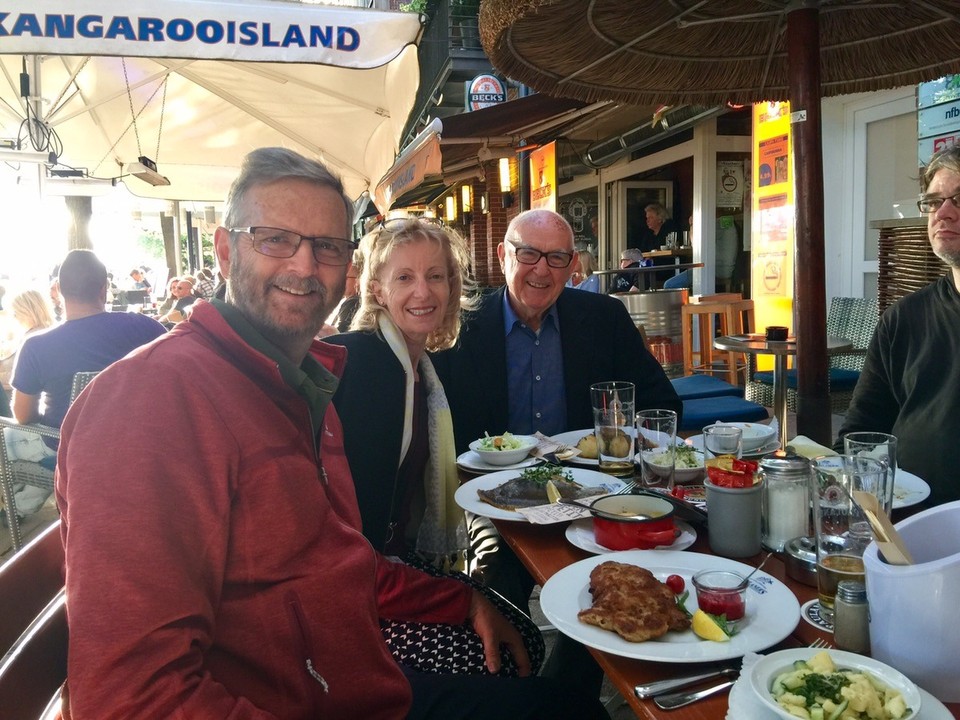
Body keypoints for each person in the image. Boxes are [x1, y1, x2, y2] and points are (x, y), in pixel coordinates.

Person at [55, 147, 604, 719]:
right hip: (314, 694)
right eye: (274, 239)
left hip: (347, 676)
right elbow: (128, 700)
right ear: (223, 251)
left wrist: (462, 598)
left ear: (346, 269)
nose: (303, 266)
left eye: (326, 247)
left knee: (563, 701)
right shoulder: (149, 402)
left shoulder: (297, 384)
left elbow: (341, 558)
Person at [325, 218, 474, 563]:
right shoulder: (355, 362)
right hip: (364, 572)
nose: (423, 292)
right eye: (405, 277)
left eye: (435, 276)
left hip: (399, 560)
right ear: (377, 290)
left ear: (451, 286)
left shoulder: (425, 370)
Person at [836, 143, 960, 507]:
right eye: (934, 201)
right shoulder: (904, 318)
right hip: (906, 528)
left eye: (958, 198)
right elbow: (861, 431)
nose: (944, 213)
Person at [11, 250, 166, 428]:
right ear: (104, 289)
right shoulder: (145, 327)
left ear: (59, 290)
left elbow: (23, 416)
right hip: (134, 441)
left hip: (64, 448)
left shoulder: (35, 346)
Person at [330, 245, 363, 332]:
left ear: (358, 280)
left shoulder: (353, 302)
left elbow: (339, 333)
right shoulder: (346, 300)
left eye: (346, 277)